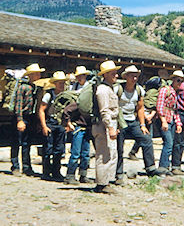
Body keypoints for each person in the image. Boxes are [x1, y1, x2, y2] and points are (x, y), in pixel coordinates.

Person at [114, 65, 156, 184]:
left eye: (136, 76)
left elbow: (140, 108)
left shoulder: (139, 90)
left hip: (132, 121)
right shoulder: (118, 89)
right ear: (126, 76)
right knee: (119, 147)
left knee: (146, 139)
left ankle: (150, 168)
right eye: (132, 75)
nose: (134, 78)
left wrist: (142, 125)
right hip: (120, 121)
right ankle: (118, 173)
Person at [11, 63, 45, 177]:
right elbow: (18, 105)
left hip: (30, 118)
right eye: (37, 73)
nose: (39, 75)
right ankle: (15, 166)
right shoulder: (23, 87)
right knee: (17, 142)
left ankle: (26, 167)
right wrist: (19, 120)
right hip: (21, 117)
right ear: (32, 75)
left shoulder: (34, 88)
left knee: (27, 143)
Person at [92, 60, 121, 194]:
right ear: (106, 75)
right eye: (113, 73)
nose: (116, 75)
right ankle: (102, 184)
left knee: (110, 153)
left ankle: (106, 182)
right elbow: (104, 111)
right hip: (103, 125)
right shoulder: (103, 90)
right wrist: (110, 127)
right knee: (104, 154)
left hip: (109, 123)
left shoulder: (108, 88)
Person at [39, 71, 68, 181]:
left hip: (60, 124)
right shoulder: (48, 95)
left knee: (59, 149)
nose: (61, 85)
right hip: (50, 122)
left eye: (63, 83)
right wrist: (44, 126)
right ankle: (46, 172)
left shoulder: (66, 95)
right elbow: (41, 110)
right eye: (59, 83)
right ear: (55, 83)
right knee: (48, 148)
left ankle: (56, 172)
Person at [155, 70, 183, 176]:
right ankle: (163, 167)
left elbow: (174, 110)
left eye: (181, 81)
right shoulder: (165, 90)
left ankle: (165, 166)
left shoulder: (175, 93)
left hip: (171, 120)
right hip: (165, 120)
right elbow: (159, 105)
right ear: (173, 80)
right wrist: (163, 121)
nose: (179, 83)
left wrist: (178, 123)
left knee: (170, 143)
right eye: (178, 80)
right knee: (168, 143)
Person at [63, 101, 93, 184]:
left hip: (87, 129)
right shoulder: (79, 102)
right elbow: (66, 110)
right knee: (75, 153)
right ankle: (70, 176)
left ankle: (83, 175)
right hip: (78, 129)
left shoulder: (91, 102)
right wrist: (69, 123)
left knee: (86, 154)